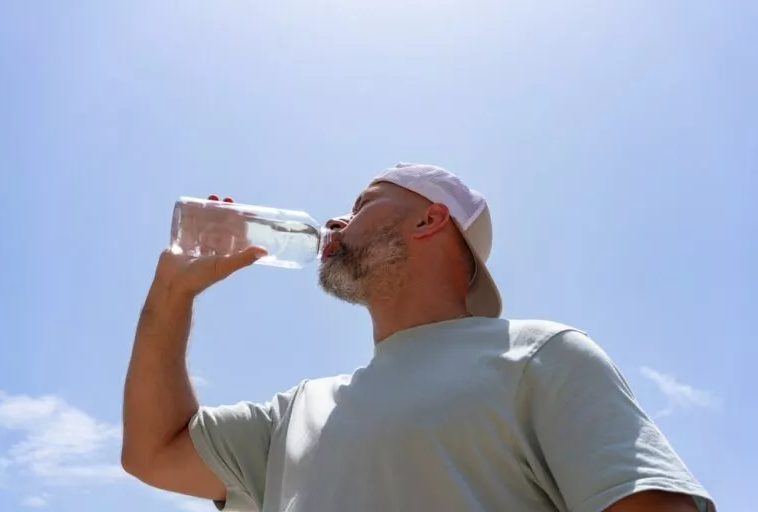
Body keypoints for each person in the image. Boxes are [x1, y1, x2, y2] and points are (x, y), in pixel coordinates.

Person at [122, 163, 717, 512]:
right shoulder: (296, 413)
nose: (333, 222)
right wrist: (174, 292)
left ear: (431, 218)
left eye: (361, 205)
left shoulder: (537, 356)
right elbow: (153, 453)